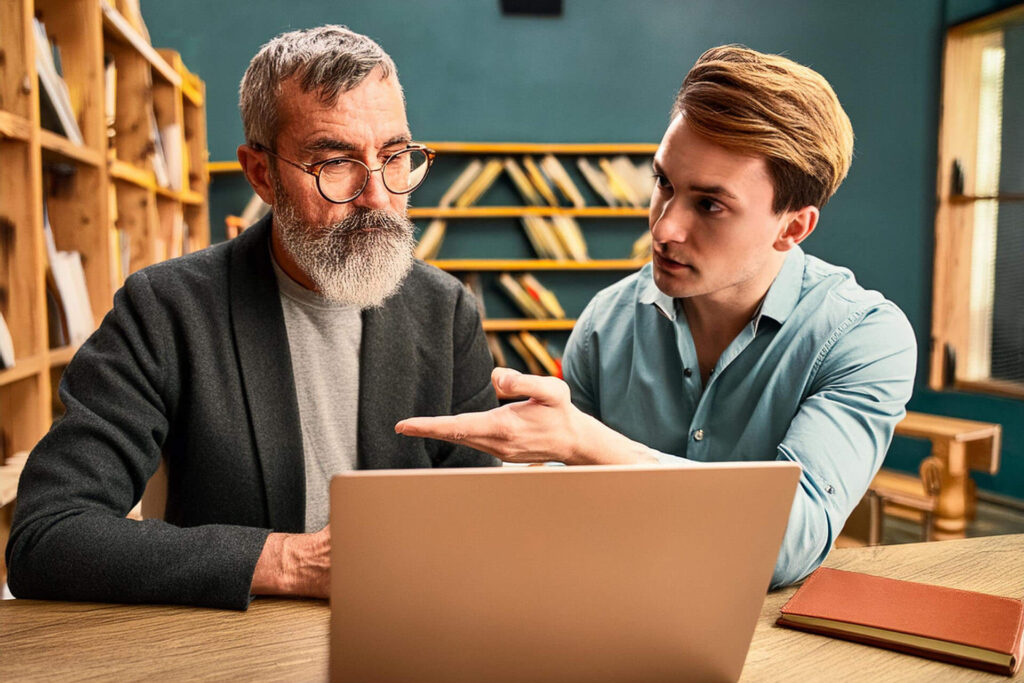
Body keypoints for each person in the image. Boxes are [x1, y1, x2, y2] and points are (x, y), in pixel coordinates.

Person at [7, 26, 497, 610]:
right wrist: (289, 562)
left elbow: (481, 522)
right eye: (336, 163)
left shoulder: (446, 313)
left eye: (395, 157)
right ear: (261, 174)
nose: (378, 197)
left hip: (409, 632)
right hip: (234, 654)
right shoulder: (165, 309)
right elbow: (46, 534)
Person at [397, 45, 918, 588]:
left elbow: (788, 544)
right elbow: (560, 517)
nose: (664, 228)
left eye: (710, 205)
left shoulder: (863, 339)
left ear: (792, 229)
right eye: (664, 183)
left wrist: (585, 444)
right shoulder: (606, 322)